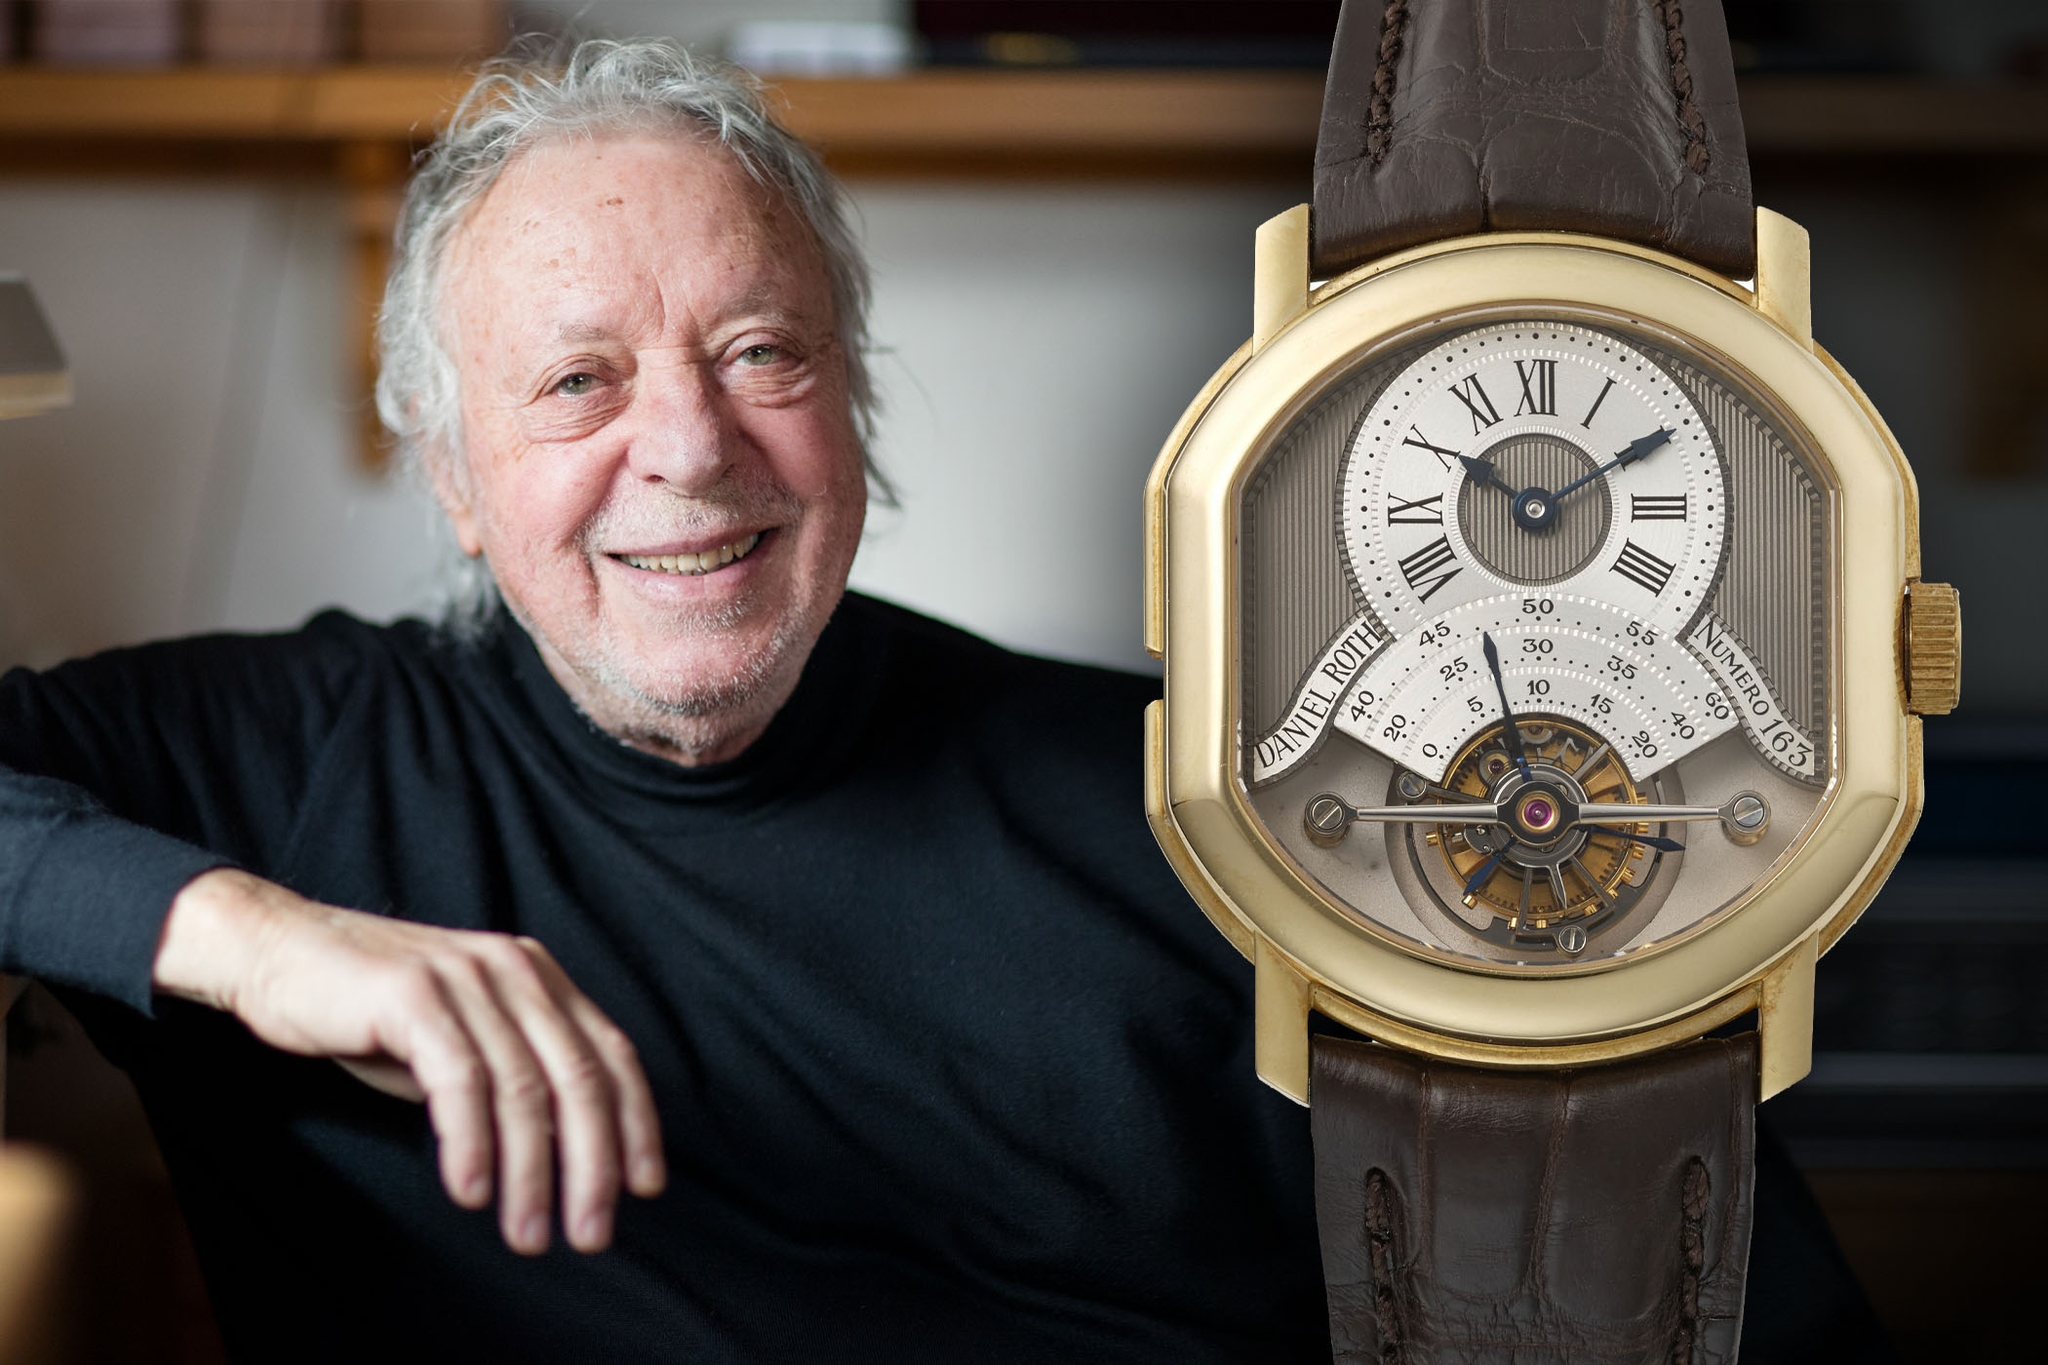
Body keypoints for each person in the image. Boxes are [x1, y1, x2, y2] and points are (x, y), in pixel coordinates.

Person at [0, 39, 1889, 1365]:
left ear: (850, 407)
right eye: (577, 381)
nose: (690, 449)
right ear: (454, 476)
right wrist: (253, 940)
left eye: (762, 351)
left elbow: (1692, 1281)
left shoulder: (1210, 806)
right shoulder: (275, 777)